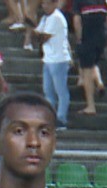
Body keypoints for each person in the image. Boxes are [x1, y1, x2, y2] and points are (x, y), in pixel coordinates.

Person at [31, 0, 71, 128]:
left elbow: (42, 37)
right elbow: (36, 33)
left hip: (58, 59)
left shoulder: (56, 18)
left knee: (61, 91)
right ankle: (49, 117)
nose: (44, 6)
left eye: (47, 3)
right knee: (48, 91)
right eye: (43, 3)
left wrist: (36, 32)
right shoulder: (45, 18)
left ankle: (61, 118)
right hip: (48, 59)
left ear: (54, 4)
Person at [71, 0, 107, 117]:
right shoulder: (103, 2)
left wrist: (79, 39)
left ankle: (90, 105)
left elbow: (77, 21)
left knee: (87, 70)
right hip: (101, 38)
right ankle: (98, 82)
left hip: (88, 38)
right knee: (93, 65)